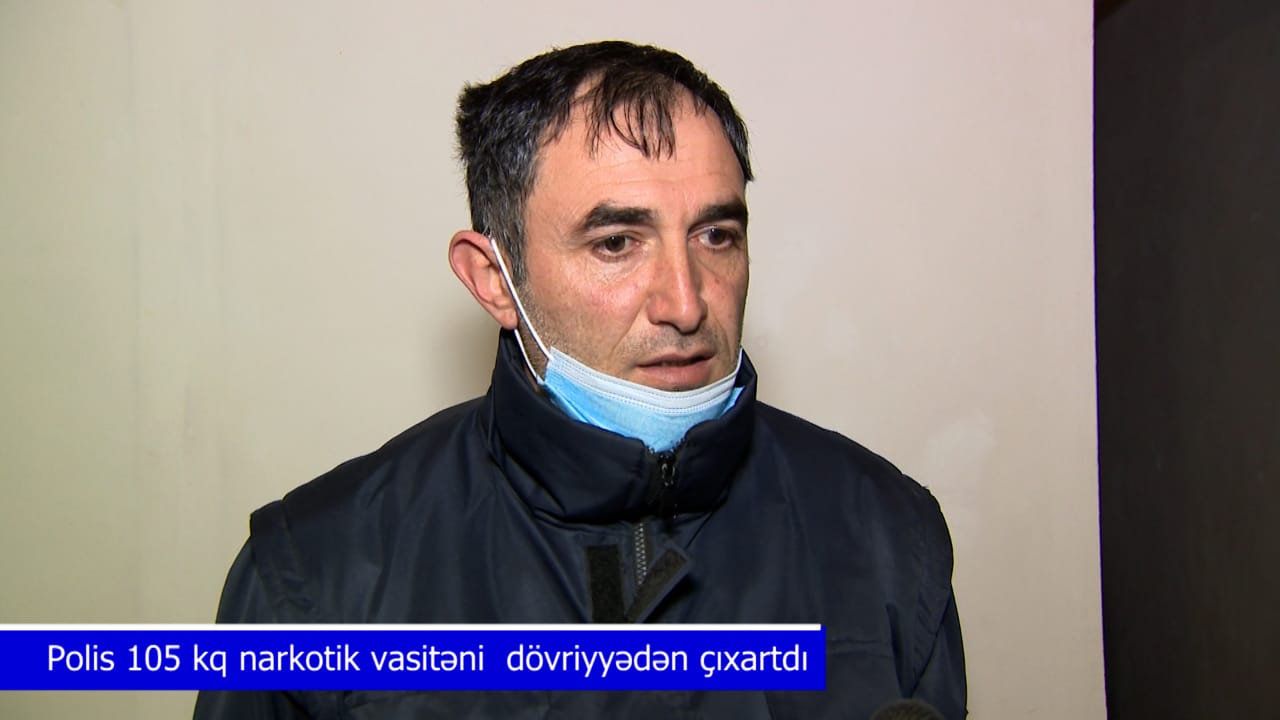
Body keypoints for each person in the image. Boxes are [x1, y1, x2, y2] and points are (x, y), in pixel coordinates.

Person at [194, 40, 966, 719]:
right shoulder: (312, 577)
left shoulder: (888, 533)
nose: (686, 303)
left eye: (716, 234)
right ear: (494, 280)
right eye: (616, 243)